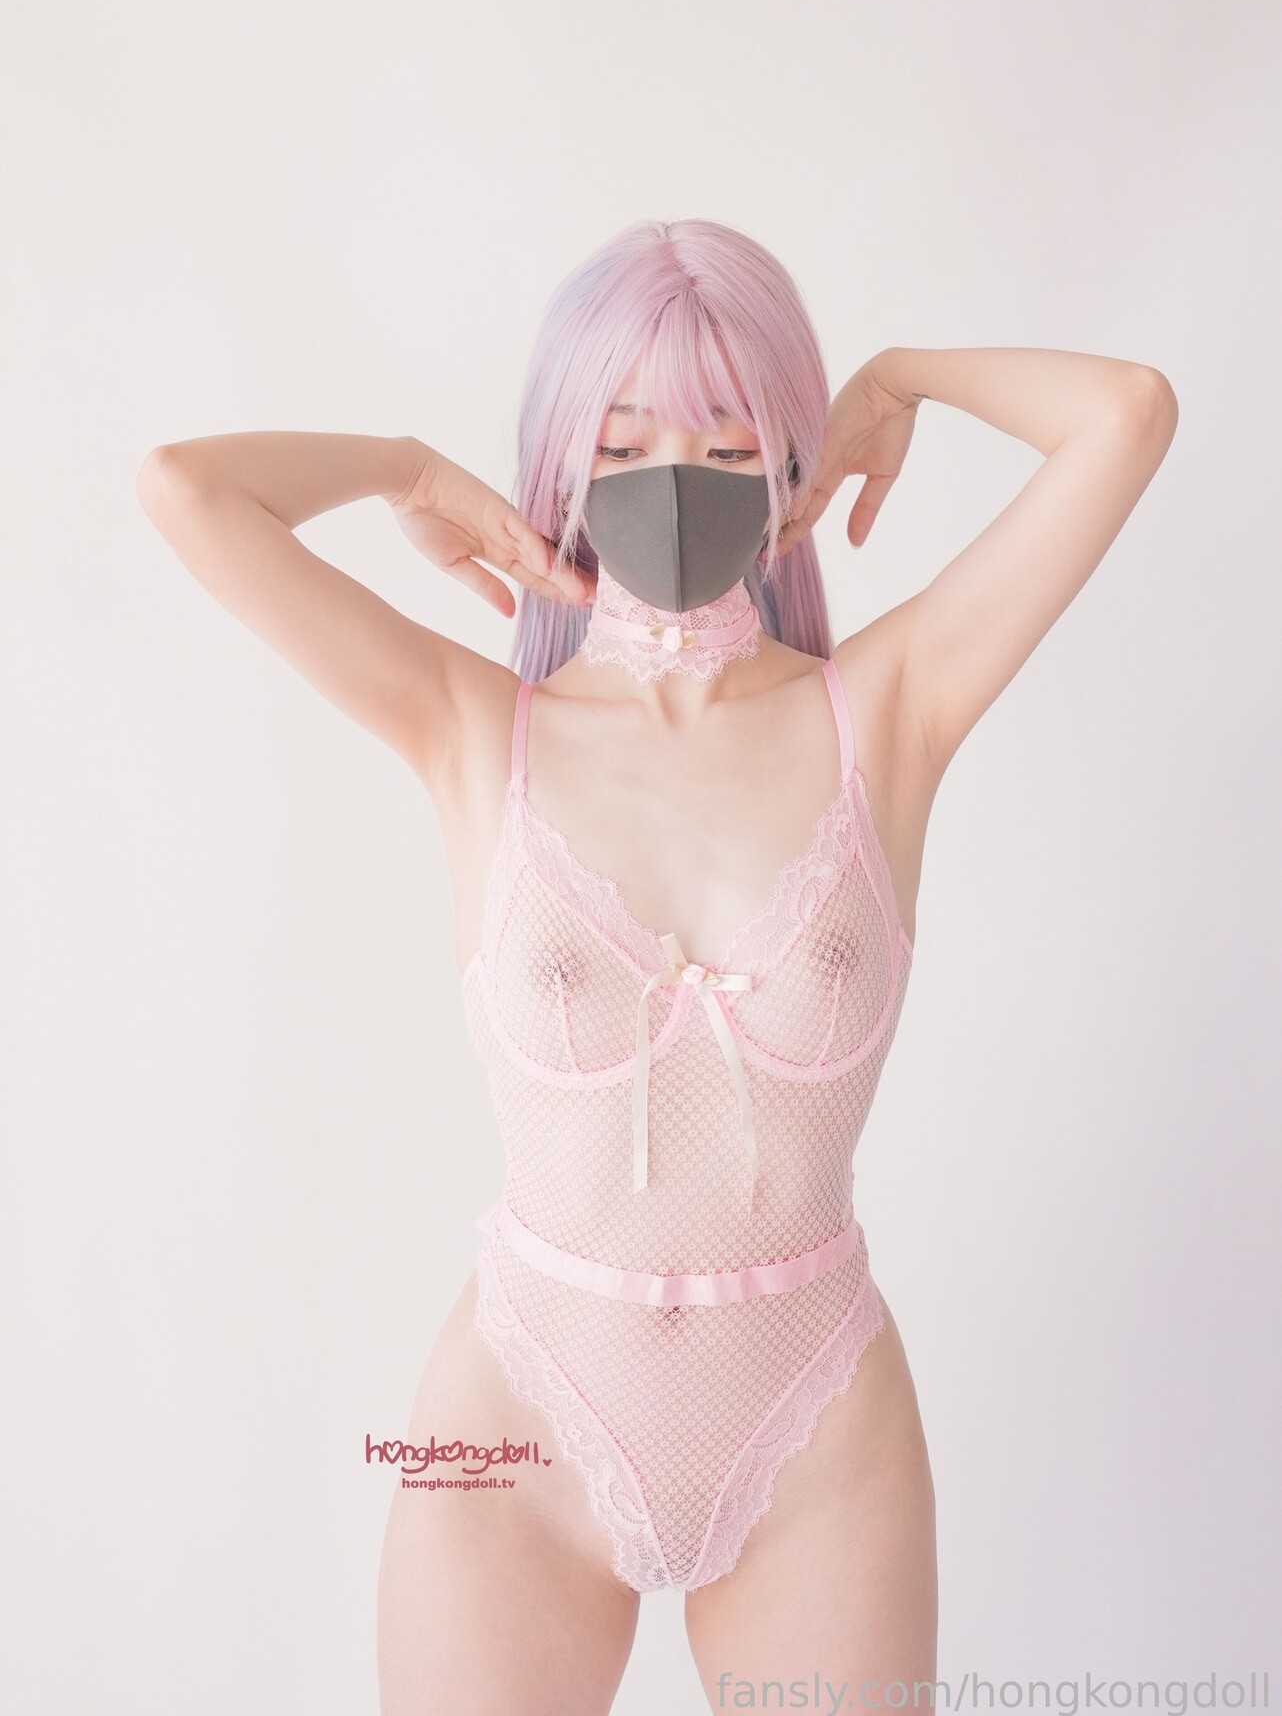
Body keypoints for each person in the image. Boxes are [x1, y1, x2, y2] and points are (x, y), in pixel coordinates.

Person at [136, 218, 1177, 1715]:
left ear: (788, 467)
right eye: (620, 446)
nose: (671, 484)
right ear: (561, 469)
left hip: (818, 1421)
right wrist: (411, 475)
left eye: (726, 442)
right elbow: (186, 490)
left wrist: (899, 380)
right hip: (511, 1418)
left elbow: (1127, 413)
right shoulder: (472, 728)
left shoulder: (885, 710)